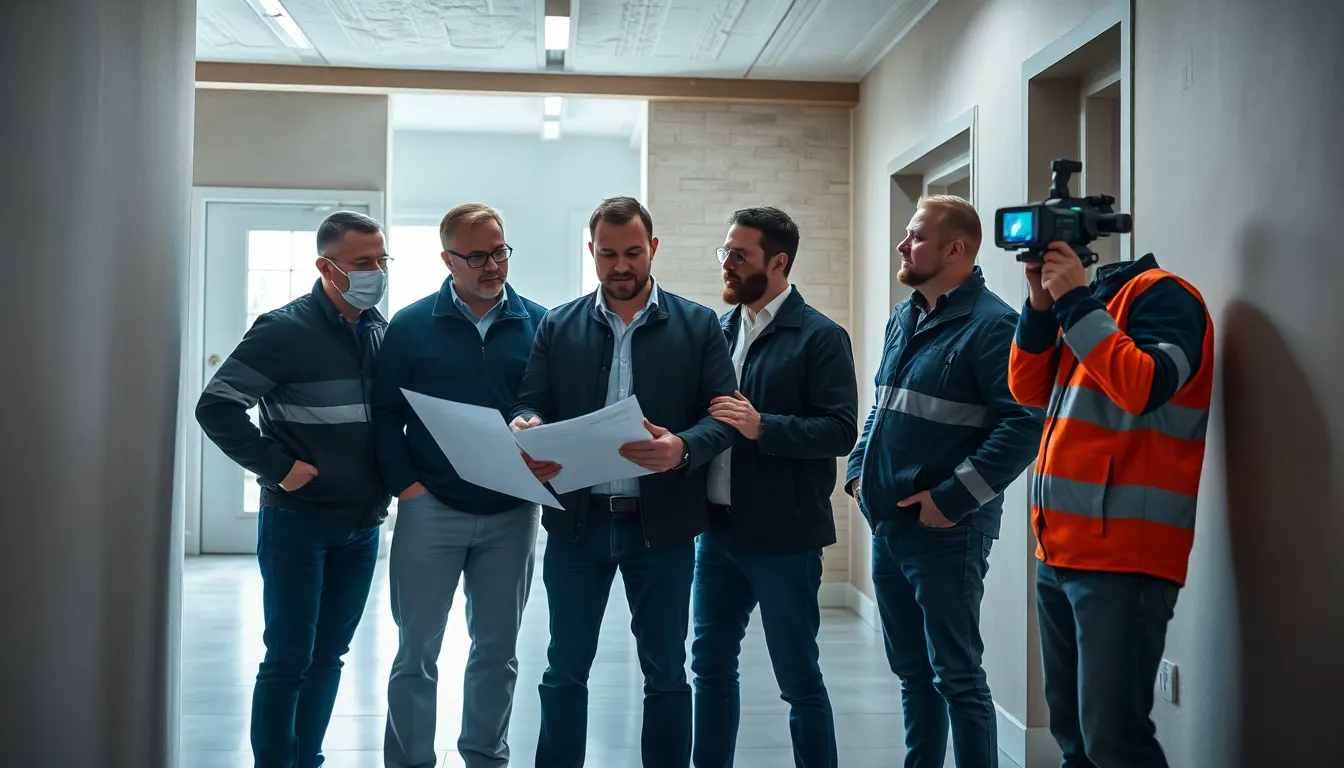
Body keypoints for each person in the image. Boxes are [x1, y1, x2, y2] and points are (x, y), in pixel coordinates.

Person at [510, 196, 738, 768]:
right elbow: (532, 402)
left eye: (632, 252)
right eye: (607, 254)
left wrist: (681, 447)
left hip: (662, 529)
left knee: (665, 671)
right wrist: (527, 427)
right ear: (592, 252)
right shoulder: (558, 324)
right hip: (576, 528)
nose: (620, 266)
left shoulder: (699, 324)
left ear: (652, 249)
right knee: (564, 667)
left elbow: (725, 418)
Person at [845, 195, 1044, 768]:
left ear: (955, 249)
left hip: (946, 534)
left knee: (956, 676)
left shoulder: (994, 325)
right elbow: (880, 409)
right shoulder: (905, 315)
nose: (903, 246)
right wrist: (859, 473)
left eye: (916, 237)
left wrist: (951, 501)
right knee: (912, 672)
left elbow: (1024, 424)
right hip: (889, 525)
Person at [195, 210, 393, 768]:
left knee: (330, 655)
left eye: (381, 260)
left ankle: (310, 760)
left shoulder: (380, 329)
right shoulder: (284, 329)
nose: (375, 271)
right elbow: (217, 406)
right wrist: (277, 466)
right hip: (298, 523)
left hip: (362, 526)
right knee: (288, 658)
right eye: (362, 263)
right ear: (325, 267)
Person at [1008, 243, 1213, 768]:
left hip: (1124, 556)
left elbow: (1142, 387)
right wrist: (1039, 306)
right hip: (1058, 550)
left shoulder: (1165, 296)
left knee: (1113, 739)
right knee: (1073, 733)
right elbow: (1029, 389)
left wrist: (1075, 301)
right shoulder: (1088, 306)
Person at [373, 203, 548, 768]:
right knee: (416, 652)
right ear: (447, 259)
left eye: (500, 251)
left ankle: (485, 758)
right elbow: (383, 415)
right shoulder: (410, 325)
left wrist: (533, 418)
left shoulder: (541, 323)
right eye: (477, 256)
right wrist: (408, 489)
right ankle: (409, 762)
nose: (492, 265)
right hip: (431, 508)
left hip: (513, 511)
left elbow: (545, 399)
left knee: (497, 652)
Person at [690, 207, 858, 768]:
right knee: (709, 668)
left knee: (798, 677)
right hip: (714, 534)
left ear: (778, 262)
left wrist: (764, 427)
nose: (728, 264)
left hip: (785, 538)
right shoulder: (717, 331)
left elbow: (840, 430)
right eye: (725, 252)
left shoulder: (822, 337)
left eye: (740, 255)